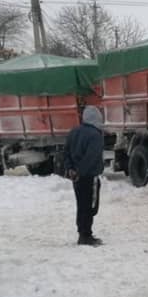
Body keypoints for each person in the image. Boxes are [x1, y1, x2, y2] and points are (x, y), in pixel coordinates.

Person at [63, 105, 105, 246]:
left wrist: (71, 169)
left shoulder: (74, 132)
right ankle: (86, 235)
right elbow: (91, 157)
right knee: (90, 206)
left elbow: (66, 152)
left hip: (76, 177)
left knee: (81, 204)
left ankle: (82, 232)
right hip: (89, 176)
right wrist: (81, 171)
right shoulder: (95, 135)